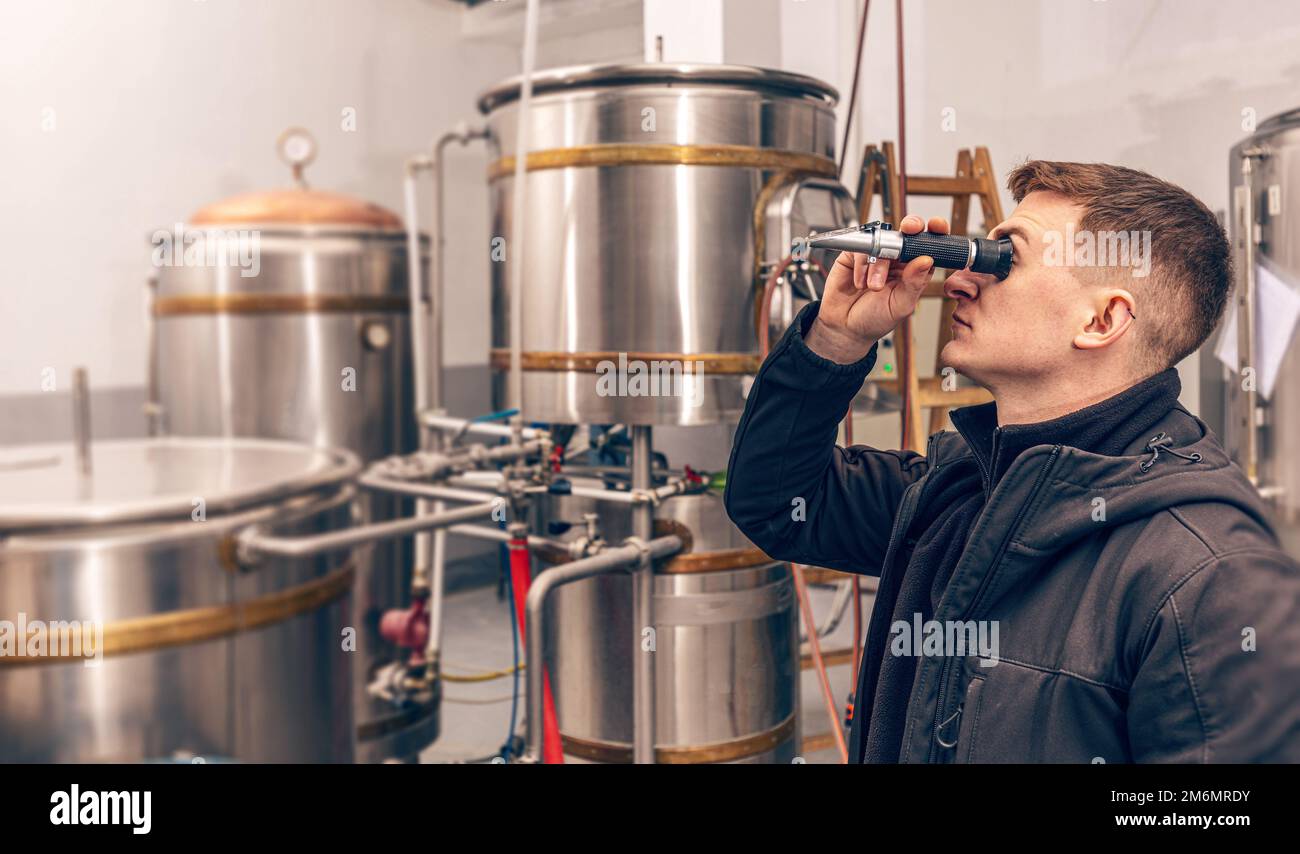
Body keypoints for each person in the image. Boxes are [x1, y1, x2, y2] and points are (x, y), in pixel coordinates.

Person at [724, 160, 1300, 763]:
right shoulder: (962, 494)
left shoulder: (1206, 575)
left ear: (1101, 320)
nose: (960, 281)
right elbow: (780, 504)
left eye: (1004, 260)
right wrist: (837, 340)